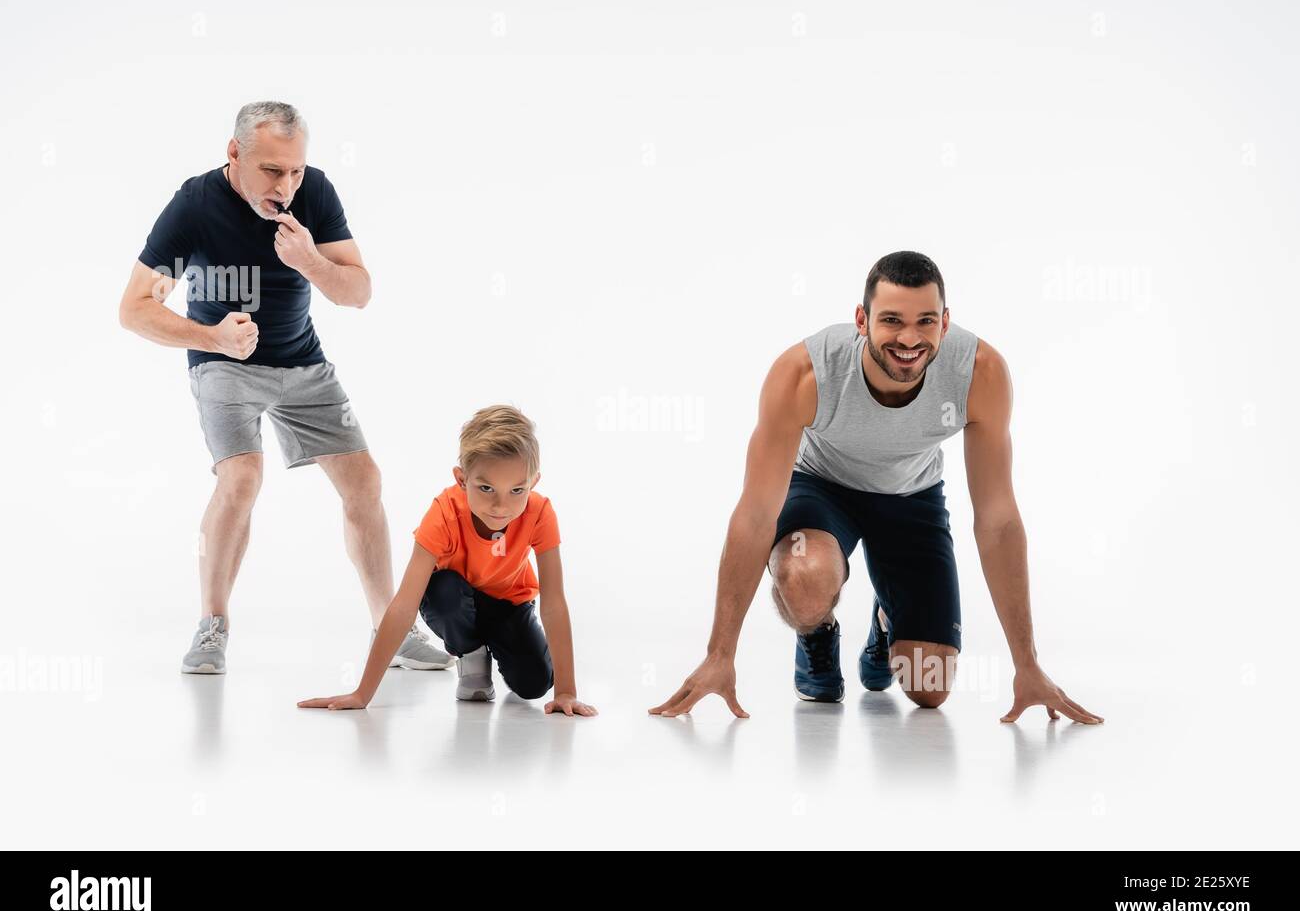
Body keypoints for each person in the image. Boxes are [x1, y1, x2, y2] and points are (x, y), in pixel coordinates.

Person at [650, 250, 1103, 724]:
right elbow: (755, 515)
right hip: (822, 487)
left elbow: (998, 518)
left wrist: (1027, 665)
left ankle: (888, 620)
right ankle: (816, 631)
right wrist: (720, 654)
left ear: (945, 324)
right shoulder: (804, 373)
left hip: (911, 497)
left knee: (930, 688)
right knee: (804, 576)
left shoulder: (980, 373)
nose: (909, 338)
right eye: (892, 321)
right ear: (862, 321)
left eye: (925, 321)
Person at [118, 101, 449, 674]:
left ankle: (390, 629)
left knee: (365, 481)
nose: (287, 184)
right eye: (273, 171)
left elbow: (359, 292)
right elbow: (134, 309)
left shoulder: (315, 193)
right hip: (224, 362)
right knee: (243, 478)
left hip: (302, 362)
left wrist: (310, 262)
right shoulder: (195, 206)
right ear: (235, 154)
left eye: (296, 170)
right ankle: (211, 626)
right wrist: (212, 337)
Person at [298, 405, 598, 716]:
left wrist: (566, 691)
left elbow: (553, 602)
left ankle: (498, 644)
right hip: (452, 600)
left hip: (509, 605)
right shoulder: (443, 513)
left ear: (532, 483)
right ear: (461, 479)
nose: (500, 505)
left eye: (516, 490)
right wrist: (362, 694)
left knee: (534, 684)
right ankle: (470, 653)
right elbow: (403, 604)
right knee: (444, 594)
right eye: (486, 488)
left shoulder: (540, 513)